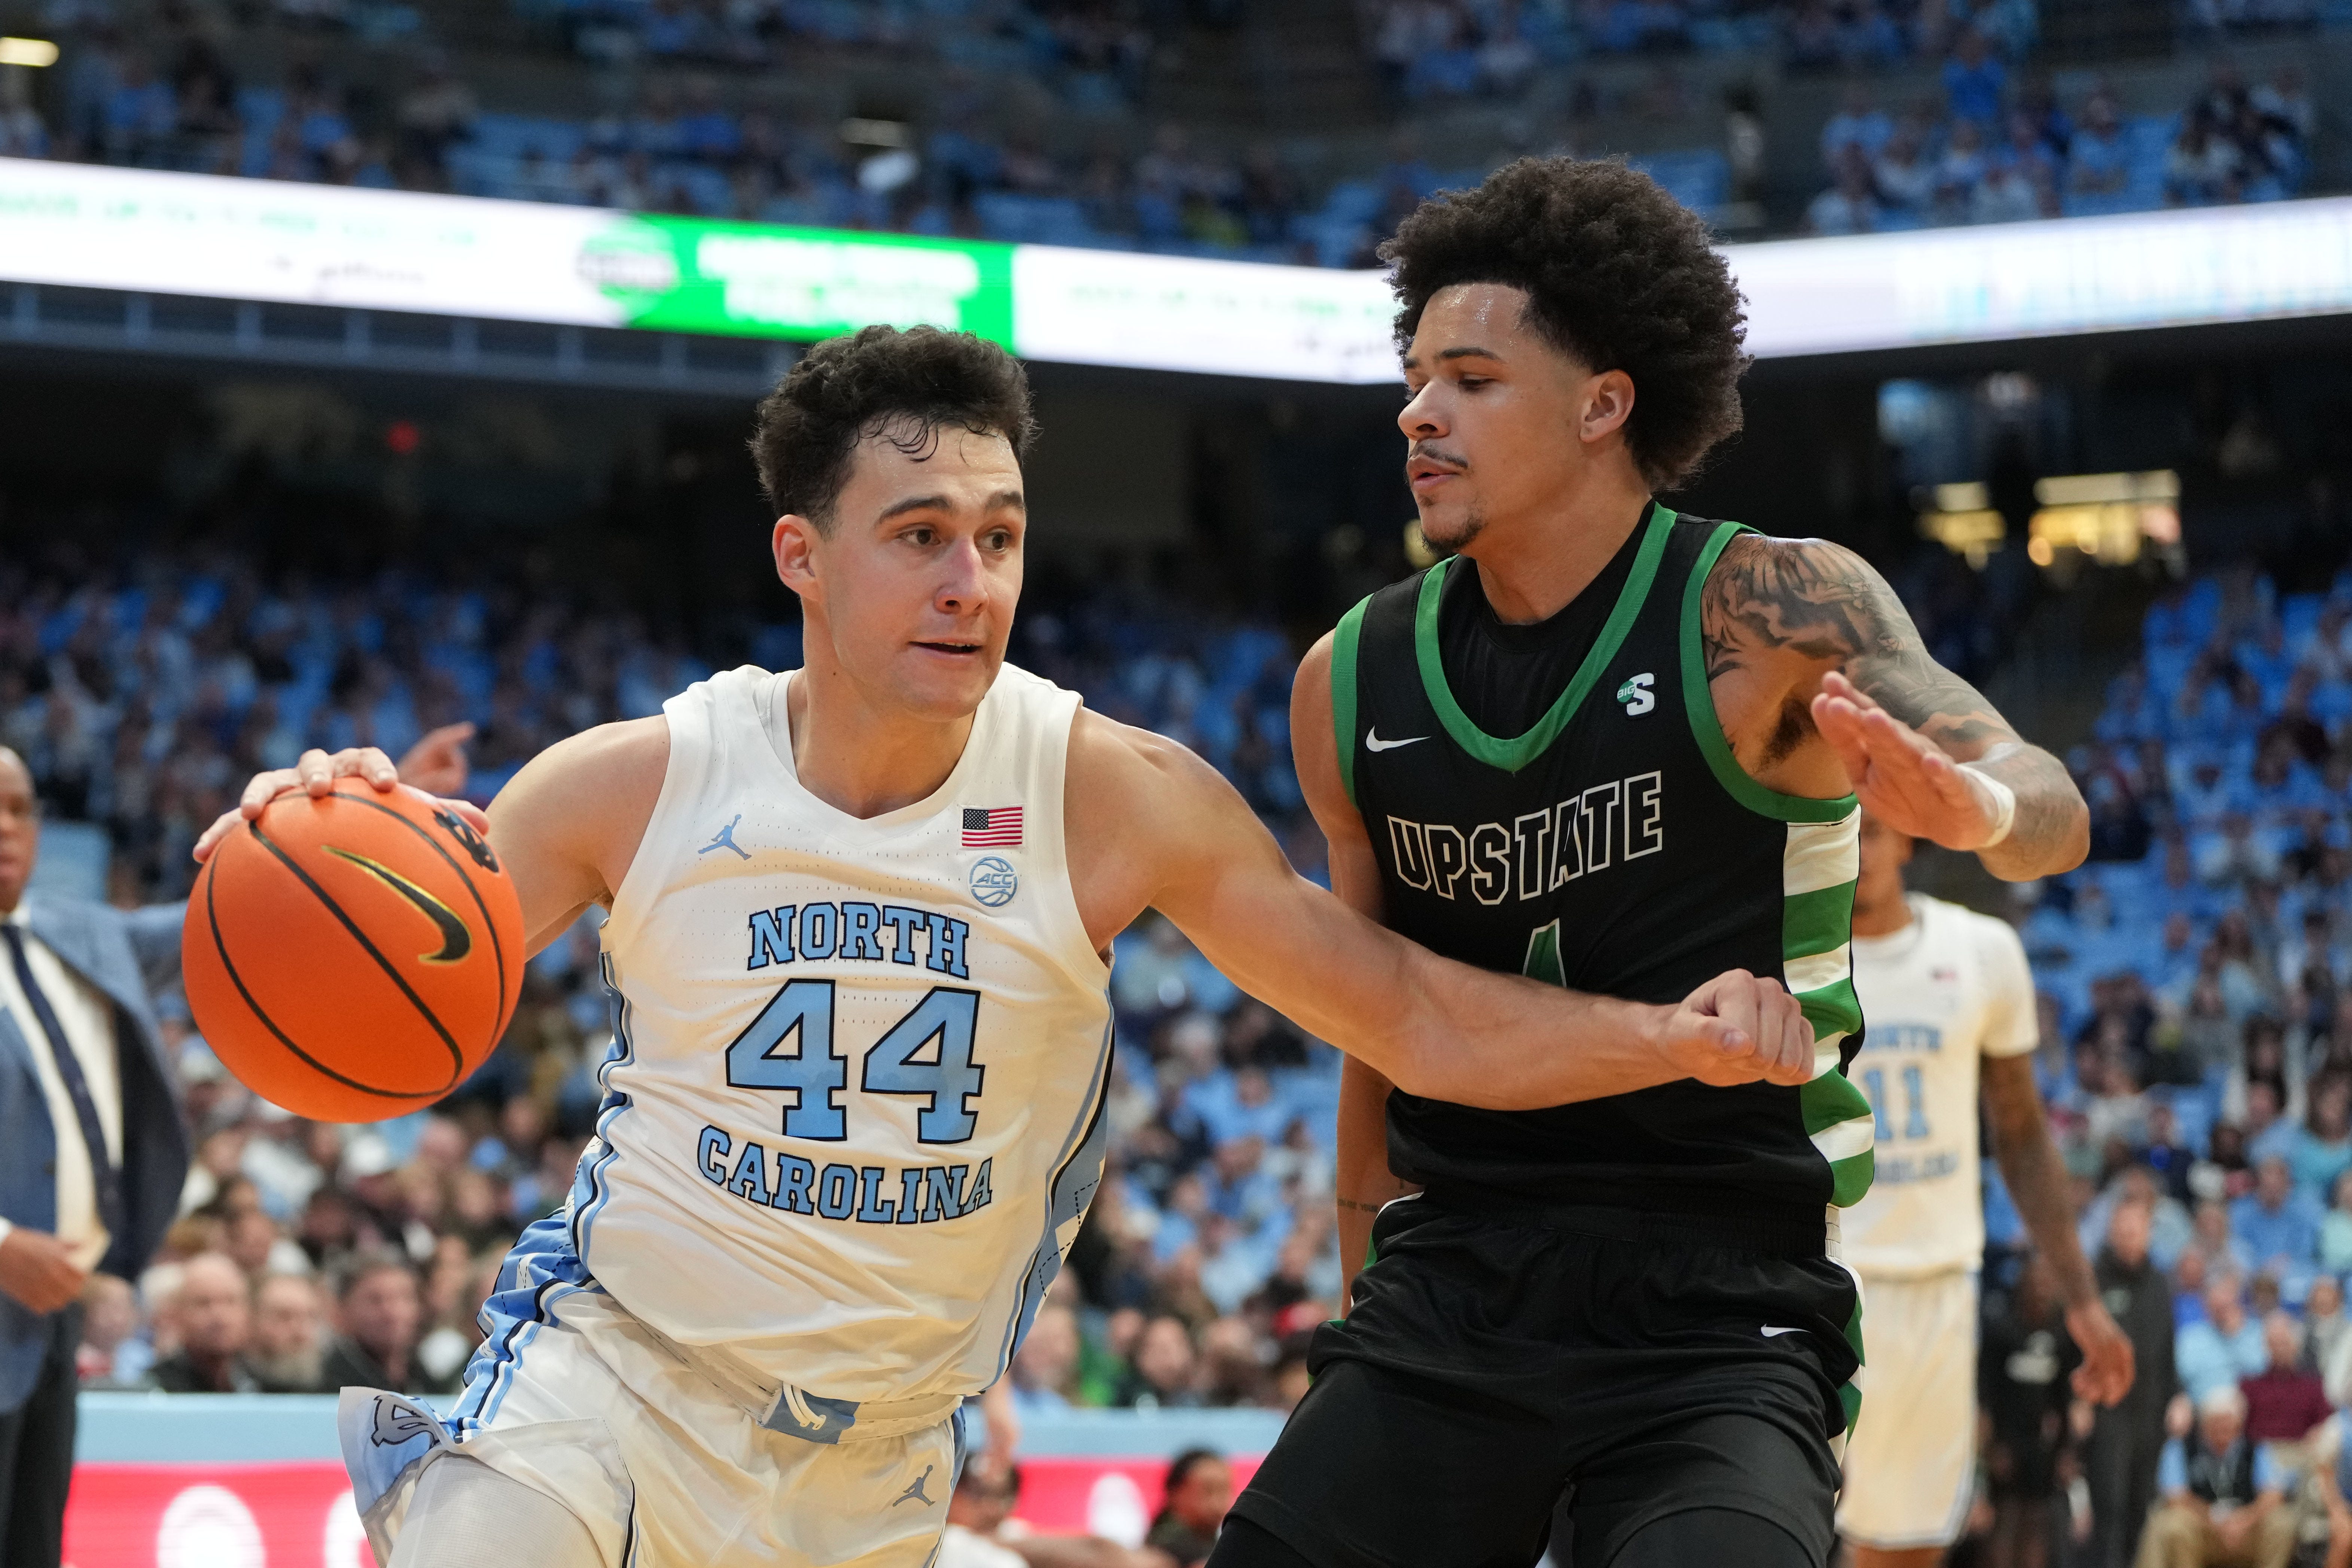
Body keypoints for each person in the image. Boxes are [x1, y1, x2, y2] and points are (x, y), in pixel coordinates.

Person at [199, 324, 1814, 1568]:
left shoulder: (1110, 797)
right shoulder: (635, 783)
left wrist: (1664, 1034)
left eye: (1000, 534)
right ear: (800, 557)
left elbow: (1408, 1015)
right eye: (917, 535)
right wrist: (309, 836)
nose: (970, 582)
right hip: (603, 1388)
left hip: (878, 1460)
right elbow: (392, 969)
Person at [1212, 156, 2094, 1568]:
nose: (1416, 411)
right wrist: (1362, 1290)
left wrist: (1975, 808)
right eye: (1414, 376)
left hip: (1718, 1294)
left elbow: (2053, 799)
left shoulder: (1769, 602)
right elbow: (1375, 1023)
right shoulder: (1349, 675)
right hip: (1454, 1280)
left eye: (1471, 378)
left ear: (1602, 401)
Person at [1834, 811, 2133, 1567]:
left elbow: (2025, 1138)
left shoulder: (1979, 950)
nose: (1854, 853)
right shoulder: (1785, 956)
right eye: (1834, 835)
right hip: (1817, 1279)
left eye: (1866, 832)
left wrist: (2083, 1299)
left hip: (1935, 1281)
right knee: (1766, 1524)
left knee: (1907, 1546)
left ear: (1904, 836)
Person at [2086, 1200, 2181, 1568]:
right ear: (2111, 1232)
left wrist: (2177, 1397)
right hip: (2109, 1407)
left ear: (2147, 1234)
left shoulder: (2158, 1281)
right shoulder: (2095, 1279)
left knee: (2140, 1501)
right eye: (2123, 1231)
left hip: (2151, 1407)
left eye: (2136, 1231)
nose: (2129, 1239)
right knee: (2109, 1501)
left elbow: (2167, 1347)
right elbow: (2074, 1345)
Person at [2135, 1386, 2297, 1568]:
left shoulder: (2256, 1448)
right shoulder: (2180, 1448)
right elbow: (2176, 1498)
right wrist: (2214, 1522)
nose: (2223, 1431)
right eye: (2217, 1424)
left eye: (2228, 1425)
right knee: (2175, 1524)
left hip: (2246, 1529)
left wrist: (2243, 1521)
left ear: (2239, 1425)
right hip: (2203, 1529)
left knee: (2282, 1521)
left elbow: (2273, 1494)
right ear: (2204, 1425)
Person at [144, 1250, 260, 1393]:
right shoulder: (155, 1390)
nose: (220, 1317)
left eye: (230, 1302)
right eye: (203, 1303)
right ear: (178, 1314)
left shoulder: (262, 1385)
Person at [1146, 1449, 1233, 1567]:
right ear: (1176, 1493)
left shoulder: (1218, 1542)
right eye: (1208, 1490)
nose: (1217, 1503)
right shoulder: (1161, 1547)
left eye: (1224, 1490)